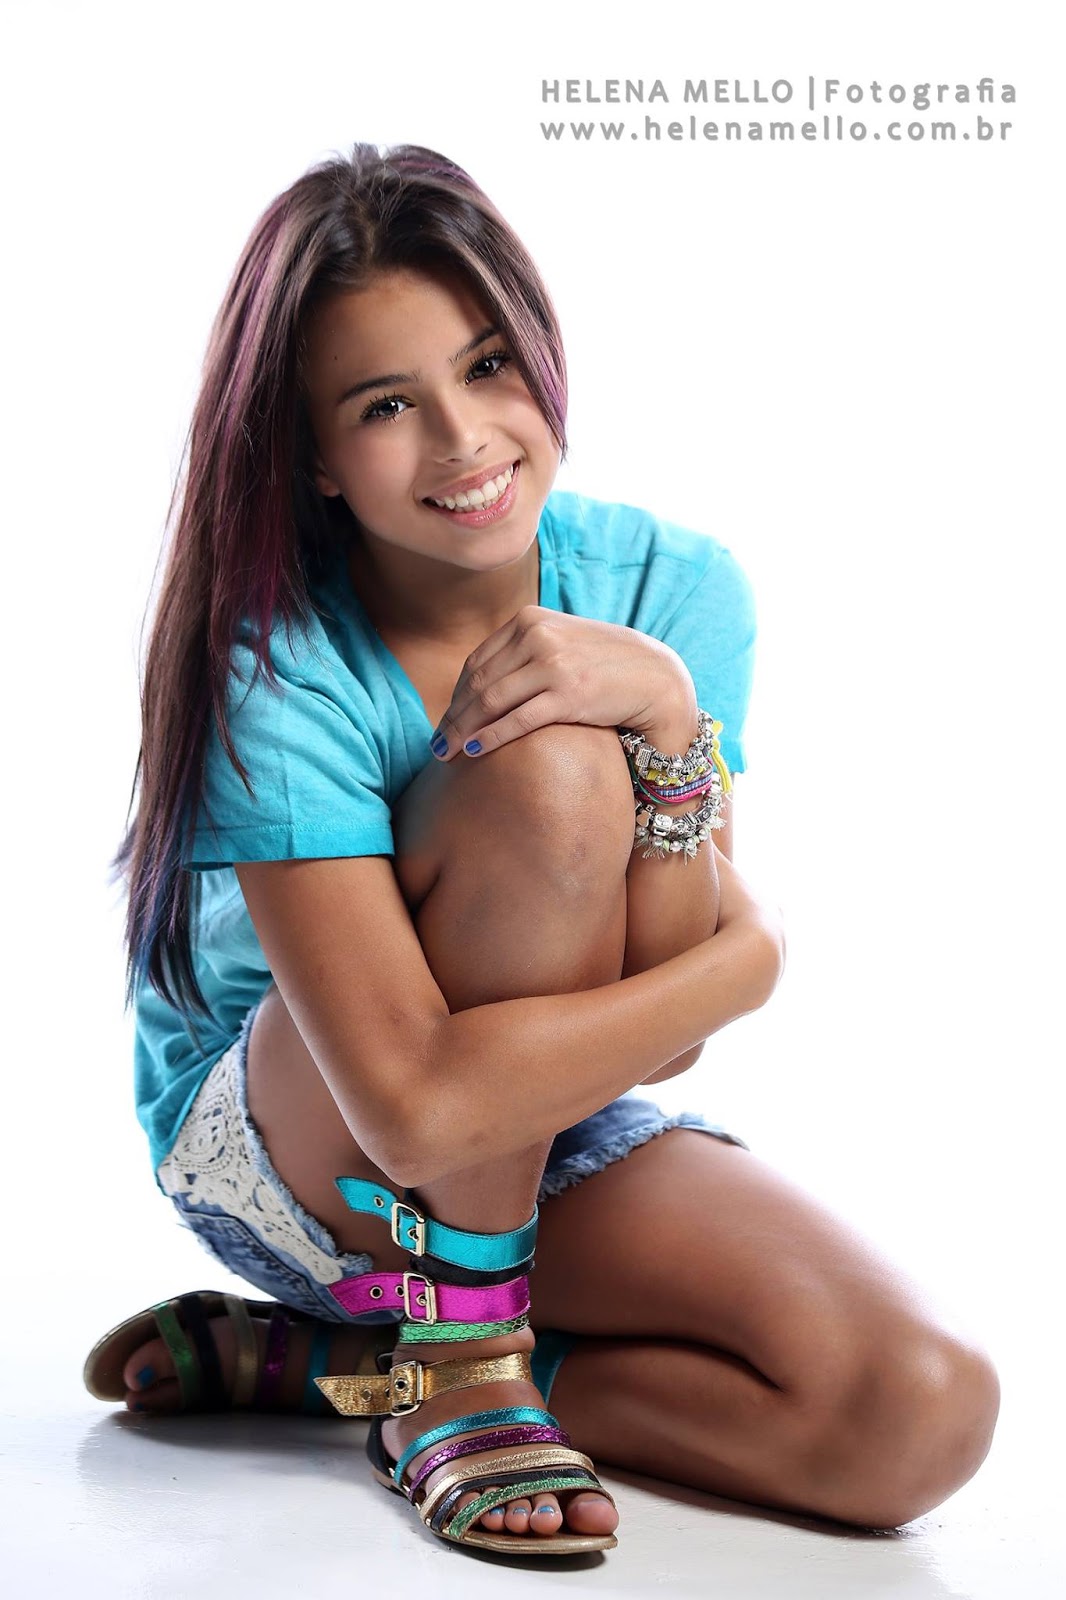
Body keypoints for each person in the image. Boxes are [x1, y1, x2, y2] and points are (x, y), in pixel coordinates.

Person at [83, 141, 1000, 1558]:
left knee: (911, 1411)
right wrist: (752, 959)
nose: (464, 441)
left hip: (537, 1112)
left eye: (489, 364)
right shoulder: (278, 662)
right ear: (314, 457)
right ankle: (459, 1357)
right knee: (553, 763)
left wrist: (669, 712)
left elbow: (658, 1041)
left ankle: (361, 1369)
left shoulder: (670, 589)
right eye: (388, 404)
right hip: (300, 1132)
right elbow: (414, 1112)